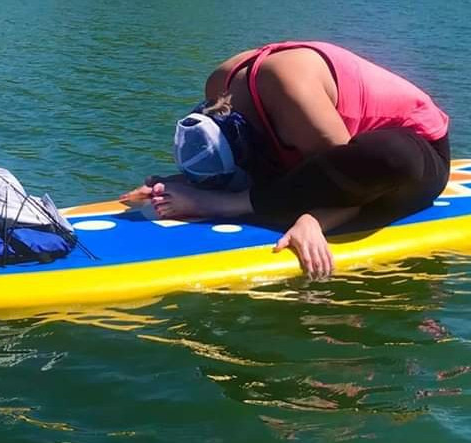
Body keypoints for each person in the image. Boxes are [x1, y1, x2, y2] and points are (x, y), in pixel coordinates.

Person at [121, 41, 450, 279]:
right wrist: (179, 182)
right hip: (316, 160)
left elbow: (350, 188)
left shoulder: (298, 104)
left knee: (391, 156)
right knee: (281, 183)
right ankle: (228, 196)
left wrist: (312, 221)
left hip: (415, 155)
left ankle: (227, 203)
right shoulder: (218, 85)